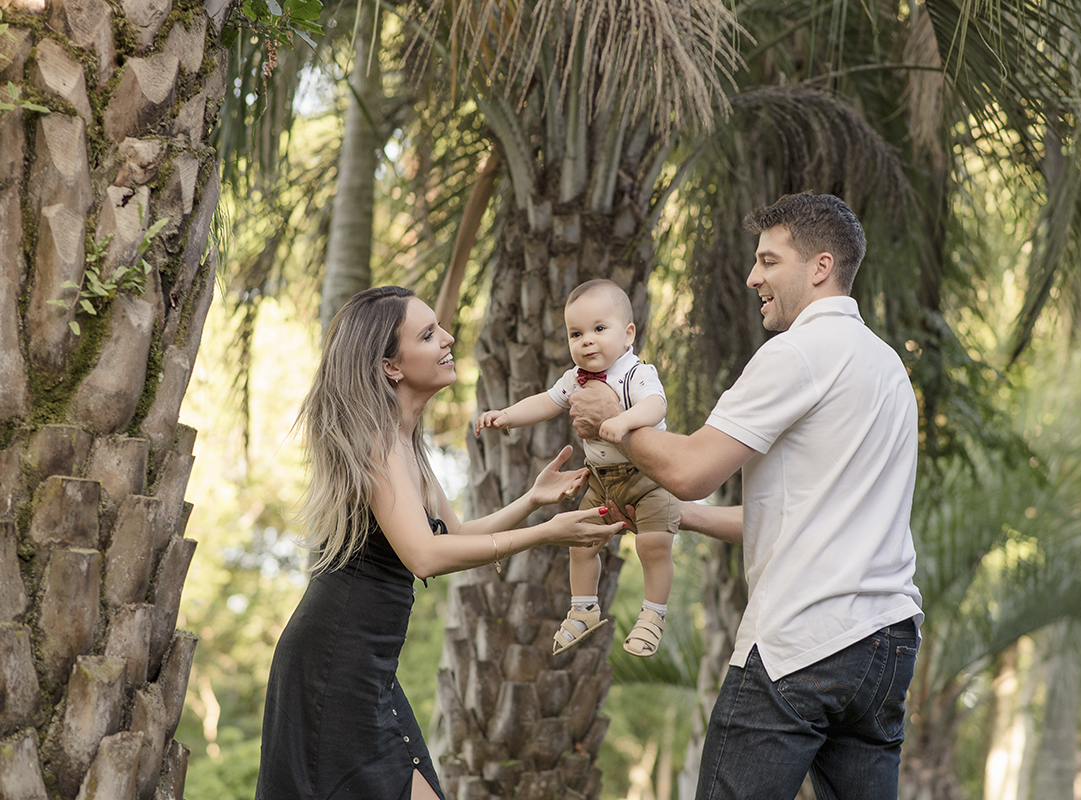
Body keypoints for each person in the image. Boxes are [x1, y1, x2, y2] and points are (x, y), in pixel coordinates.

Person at [569, 193, 924, 799]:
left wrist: (612, 421)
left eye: (769, 260)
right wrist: (680, 517)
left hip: (801, 640)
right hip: (884, 646)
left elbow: (690, 470)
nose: (753, 277)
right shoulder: (887, 366)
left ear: (820, 266)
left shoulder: (797, 353)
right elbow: (795, 514)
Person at [256, 286, 624, 800]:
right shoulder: (378, 444)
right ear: (390, 366)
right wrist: (546, 534)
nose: (448, 338)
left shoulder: (405, 443)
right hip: (333, 665)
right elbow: (425, 557)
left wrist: (532, 502)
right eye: (428, 334)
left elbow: (455, 536)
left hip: (368, 666)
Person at [474, 279, 680, 658]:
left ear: (628, 334)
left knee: (653, 545)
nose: (587, 341)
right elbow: (545, 402)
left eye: (599, 329)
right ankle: (584, 609)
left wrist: (623, 420)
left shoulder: (635, 373)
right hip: (602, 481)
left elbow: (656, 406)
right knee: (581, 544)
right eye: (576, 334)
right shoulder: (574, 379)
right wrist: (507, 416)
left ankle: (653, 615)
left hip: (648, 478)